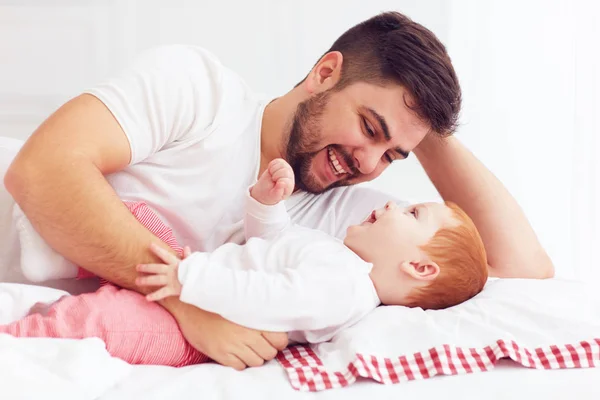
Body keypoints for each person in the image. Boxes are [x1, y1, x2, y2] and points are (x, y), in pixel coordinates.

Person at [0, 11, 554, 370]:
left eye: (391, 156)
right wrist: (185, 300)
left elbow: (516, 266)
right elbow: (41, 171)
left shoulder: (338, 219)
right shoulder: (199, 91)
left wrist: (424, 130)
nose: (368, 164)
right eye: (369, 127)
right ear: (326, 72)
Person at [0, 159, 487, 366]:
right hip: (199, 280)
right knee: (137, 220)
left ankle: (24, 340)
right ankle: (58, 254)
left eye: (413, 213)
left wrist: (188, 278)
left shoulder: (346, 291)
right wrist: (267, 205)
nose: (395, 205)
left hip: (201, 329)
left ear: (419, 267)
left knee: (105, 323)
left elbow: (268, 299)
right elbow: (274, 245)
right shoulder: (339, 257)